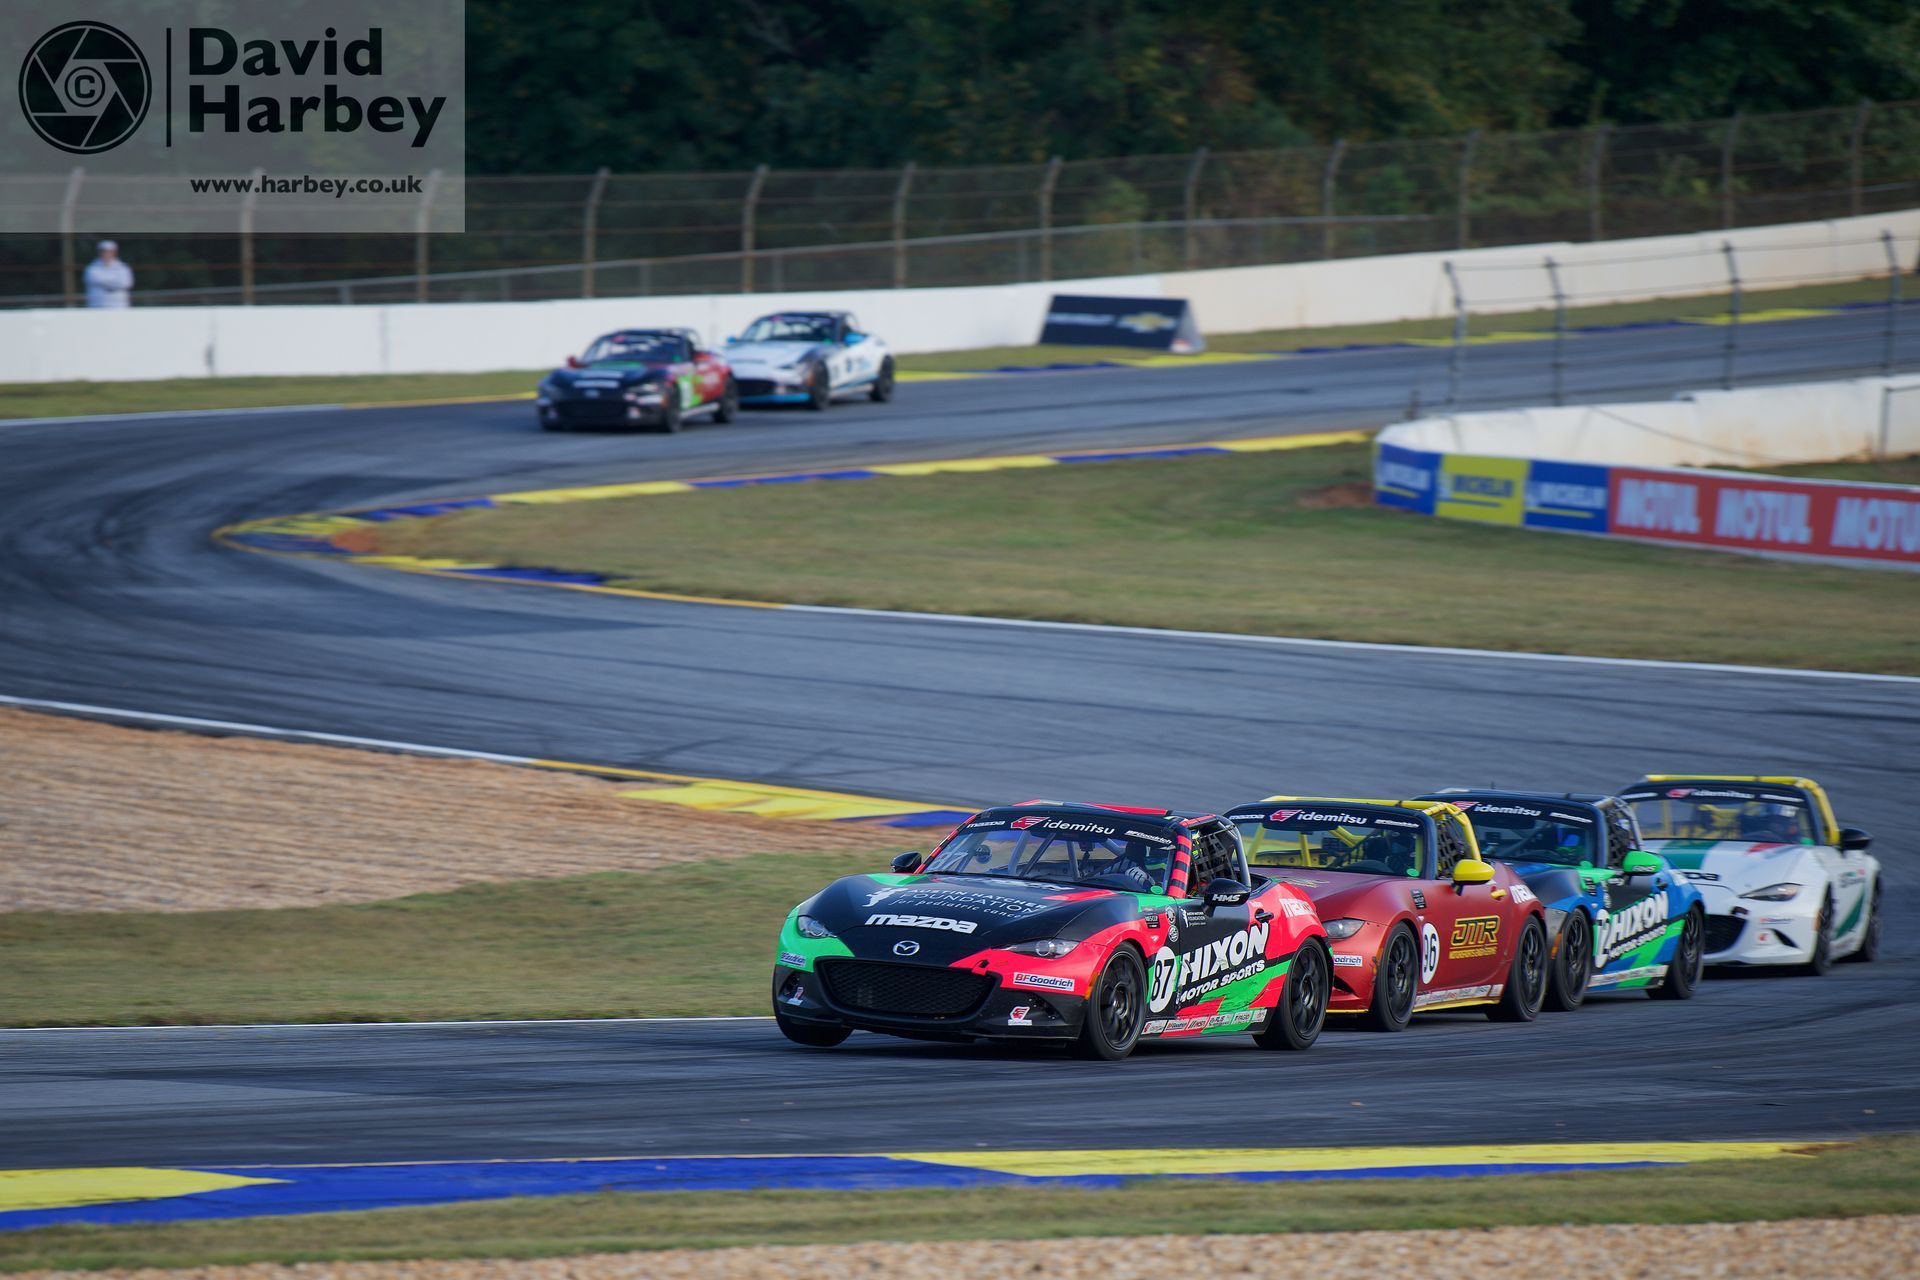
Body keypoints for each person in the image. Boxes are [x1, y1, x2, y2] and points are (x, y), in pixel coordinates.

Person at [84, 240, 133, 309]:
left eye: (110, 251)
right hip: (97, 306)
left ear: (114, 252)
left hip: (118, 306)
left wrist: (104, 281)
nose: (107, 254)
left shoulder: (123, 267)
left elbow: (126, 283)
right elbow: (93, 279)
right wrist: (115, 282)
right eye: (104, 251)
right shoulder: (92, 268)